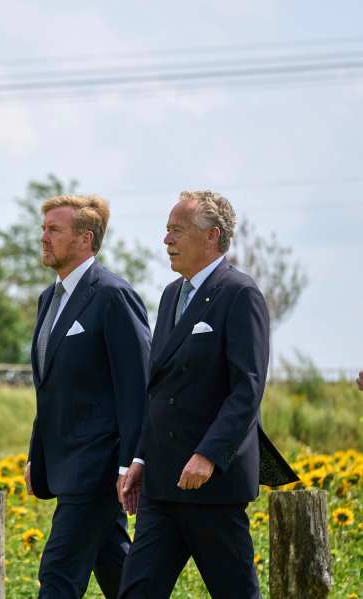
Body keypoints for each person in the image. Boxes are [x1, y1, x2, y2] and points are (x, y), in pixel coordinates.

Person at [117, 191, 298, 599]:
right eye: (167, 231)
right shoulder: (168, 296)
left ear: (212, 236)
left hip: (213, 488)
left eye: (176, 231)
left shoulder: (240, 293)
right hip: (162, 487)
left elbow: (247, 388)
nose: (166, 240)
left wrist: (209, 455)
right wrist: (141, 458)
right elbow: (157, 391)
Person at [24, 194, 151, 598]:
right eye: (43, 229)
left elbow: (137, 387)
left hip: (98, 468)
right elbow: (50, 390)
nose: (43, 237)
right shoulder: (49, 299)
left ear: (85, 239)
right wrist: (36, 455)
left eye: (54, 230)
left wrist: (129, 462)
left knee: (58, 573)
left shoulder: (113, 295)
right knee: (118, 572)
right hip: (65, 463)